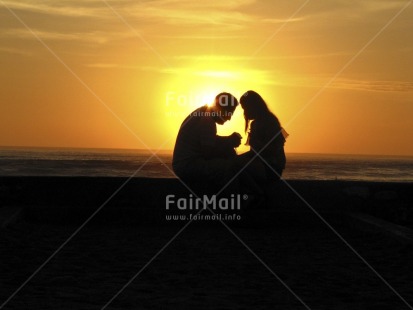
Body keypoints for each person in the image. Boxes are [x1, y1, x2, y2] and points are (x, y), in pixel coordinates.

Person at [172, 92, 242, 186]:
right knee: (230, 167)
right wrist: (229, 143)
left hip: (182, 165)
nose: (229, 118)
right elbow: (208, 153)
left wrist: (228, 140)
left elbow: (208, 140)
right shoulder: (207, 121)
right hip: (187, 166)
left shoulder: (203, 113)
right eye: (229, 113)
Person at [237, 90, 287, 182]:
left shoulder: (268, 121)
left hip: (270, 168)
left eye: (246, 108)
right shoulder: (257, 123)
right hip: (264, 166)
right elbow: (254, 152)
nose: (245, 112)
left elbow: (271, 151)